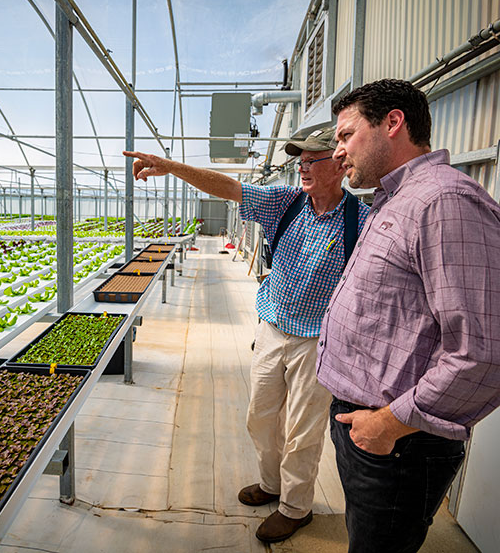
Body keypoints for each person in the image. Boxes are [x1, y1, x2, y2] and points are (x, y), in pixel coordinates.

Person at [124, 127, 369, 543]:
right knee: (260, 415)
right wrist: (171, 167)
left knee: (302, 428)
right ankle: (271, 484)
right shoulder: (286, 203)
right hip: (273, 328)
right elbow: (231, 188)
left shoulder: (361, 222)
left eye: (313, 160)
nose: (303, 167)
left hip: (319, 340)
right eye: (300, 161)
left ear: (340, 164)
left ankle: (295, 507)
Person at [318, 78, 500, 552]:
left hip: (399, 442)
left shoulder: (444, 201)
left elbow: (482, 352)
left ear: (393, 122)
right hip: (370, 431)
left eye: (345, 135)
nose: (337, 152)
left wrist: (389, 424)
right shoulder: (395, 199)